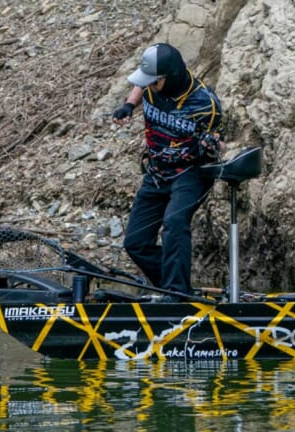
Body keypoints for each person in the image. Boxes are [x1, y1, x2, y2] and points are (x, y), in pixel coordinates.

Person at [111, 42, 223, 302]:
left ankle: (177, 294)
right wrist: (129, 105)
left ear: (169, 77)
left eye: (155, 82)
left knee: (174, 223)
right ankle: (176, 289)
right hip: (157, 172)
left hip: (191, 173)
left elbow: (219, 140)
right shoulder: (151, 85)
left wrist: (211, 144)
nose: (150, 86)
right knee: (135, 242)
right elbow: (140, 85)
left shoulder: (205, 102)